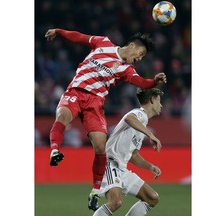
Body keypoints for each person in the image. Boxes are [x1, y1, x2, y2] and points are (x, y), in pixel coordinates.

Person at [44, 28, 167, 203]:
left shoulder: (127, 69)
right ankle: (55, 149)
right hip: (77, 91)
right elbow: (79, 37)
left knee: (101, 146)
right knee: (63, 116)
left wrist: (154, 81)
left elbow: (141, 82)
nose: (140, 58)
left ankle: (95, 190)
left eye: (143, 57)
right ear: (131, 45)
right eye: (140, 53)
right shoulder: (103, 43)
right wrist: (59, 31)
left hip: (95, 103)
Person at [91, 87, 163, 215]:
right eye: (159, 100)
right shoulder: (139, 114)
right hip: (110, 163)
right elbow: (129, 118)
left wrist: (150, 166)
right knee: (115, 202)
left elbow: (133, 155)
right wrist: (150, 135)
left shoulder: (141, 125)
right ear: (152, 100)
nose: (161, 105)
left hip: (122, 169)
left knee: (152, 198)